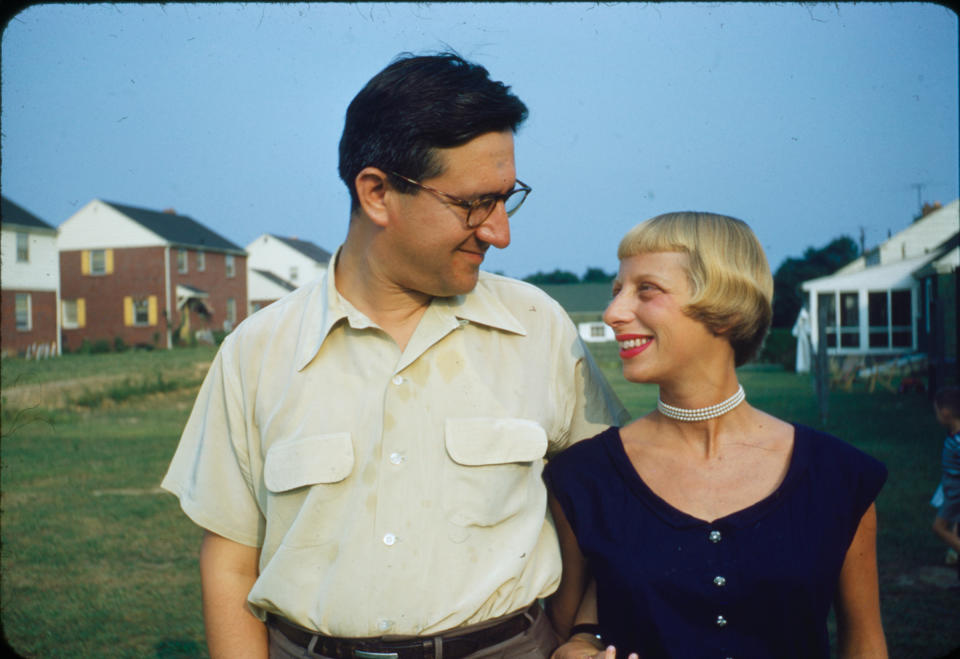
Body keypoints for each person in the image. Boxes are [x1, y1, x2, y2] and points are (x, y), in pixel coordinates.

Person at [161, 52, 628, 659]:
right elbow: (228, 560)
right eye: (472, 203)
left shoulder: (539, 326)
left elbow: (612, 512)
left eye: (504, 200)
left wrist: (586, 636)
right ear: (377, 193)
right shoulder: (256, 351)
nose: (498, 232)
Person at [543, 212, 888, 659]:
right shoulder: (582, 478)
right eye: (617, 291)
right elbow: (564, 631)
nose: (614, 313)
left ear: (726, 310)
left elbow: (864, 643)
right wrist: (574, 647)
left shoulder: (839, 477)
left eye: (646, 290)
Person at [931, 385, 960, 578]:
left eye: (936, 411)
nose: (936, 415)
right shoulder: (953, 437)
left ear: (946, 412)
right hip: (951, 490)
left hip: (956, 493)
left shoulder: (958, 441)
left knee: (938, 528)